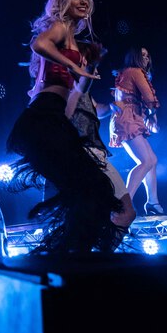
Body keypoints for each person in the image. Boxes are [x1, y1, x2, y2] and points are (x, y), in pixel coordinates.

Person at [5, 0, 125, 255]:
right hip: (41, 116)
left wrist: (90, 67)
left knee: (90, 192)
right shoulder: (58, 29)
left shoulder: (74, 41)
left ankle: (73, 257)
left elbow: (78, 92)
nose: (83, 1)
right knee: (90, 191)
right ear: (62, 2)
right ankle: (69, 258)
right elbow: (38, 44)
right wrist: (73, 64)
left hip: (55, 118)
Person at [67, 41, 136, 236]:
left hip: (96, 154)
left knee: (121, 213)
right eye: (85, 61)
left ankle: (100, 258)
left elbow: (96, 110)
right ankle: (97, 260)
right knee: (120, 212)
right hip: (84, 154)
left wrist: (112, 107)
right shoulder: (69, 86)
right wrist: (93, 63)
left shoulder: (83, 91)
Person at [109, 47, 163, 215]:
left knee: (152, 160)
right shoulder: (134, 71)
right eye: (143, 55)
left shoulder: (131, 72)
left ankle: (152, 202)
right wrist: (153, 114)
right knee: (145, 161)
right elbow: (148, 96)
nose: (146, 58)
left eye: (148, 55)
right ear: (134, 57)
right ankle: (124, 203)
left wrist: (150, 115)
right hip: (127, 118)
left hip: (130, 117)